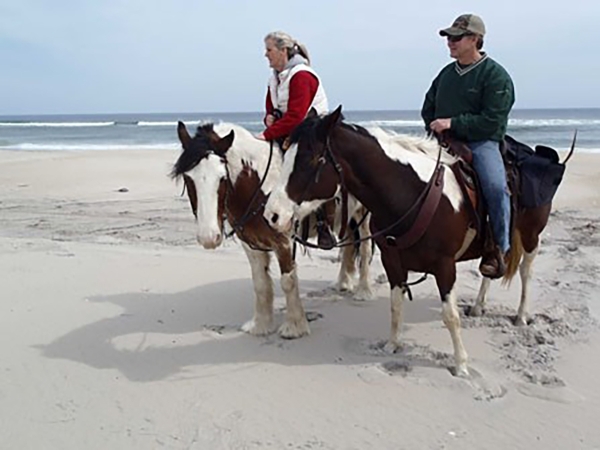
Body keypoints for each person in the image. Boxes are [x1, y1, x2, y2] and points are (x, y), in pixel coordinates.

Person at [421, 13, 515, 279]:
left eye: (456, 37)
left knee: (496, 188)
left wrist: (452, 124)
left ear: (475, 39)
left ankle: (499, 247)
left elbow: (492, 120)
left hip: (482, 142)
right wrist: (436, 129)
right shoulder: (445, 75)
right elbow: (428, 109)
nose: (450, 42)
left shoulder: (496, 76)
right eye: (448, 37)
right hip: (443, 142)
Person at [257, 31, 335, 247]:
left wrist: (266, 134)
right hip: (289, 130)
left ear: (283, 51)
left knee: (309, 168)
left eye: (269, 50)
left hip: (313, 131)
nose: (266, 55)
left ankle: (323, 225)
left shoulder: (302, 75)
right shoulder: (274, 78)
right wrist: (269, 119)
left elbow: (296, 116)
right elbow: (270, 109)